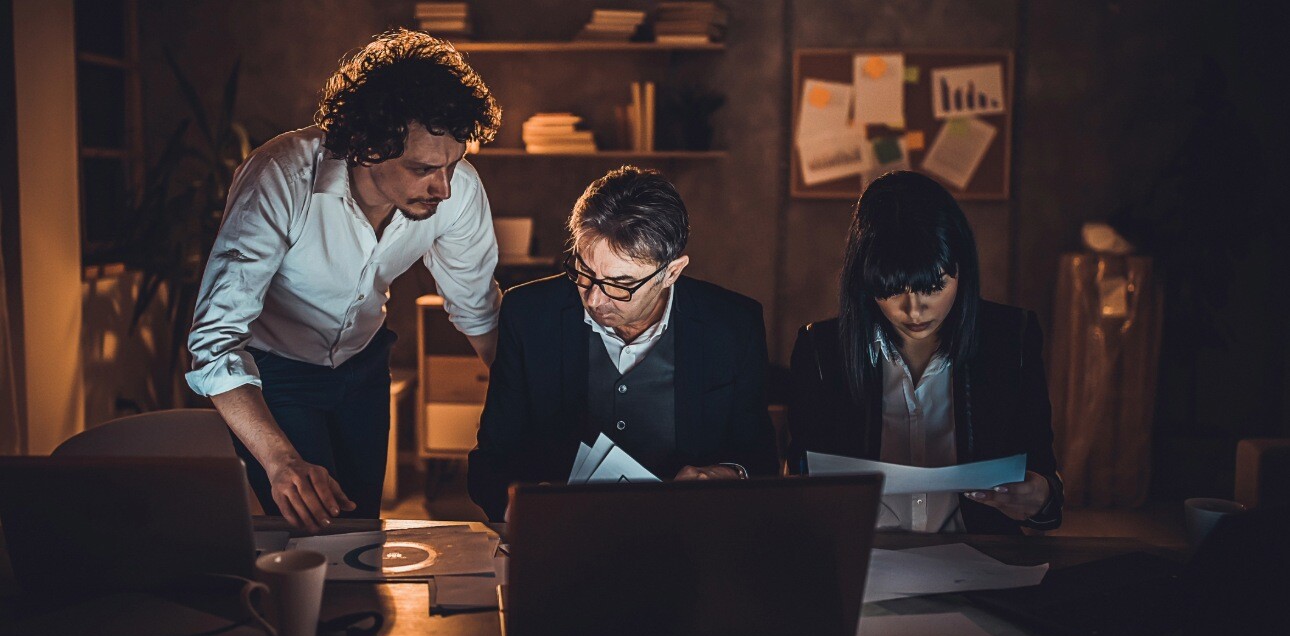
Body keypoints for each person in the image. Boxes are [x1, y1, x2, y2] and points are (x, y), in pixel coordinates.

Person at [186, 29, 502, 532]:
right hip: (277, 372)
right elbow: (214, 341)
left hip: (365, 366)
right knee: (314, 531)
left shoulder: (455, 189)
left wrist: (532, 414)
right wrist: (279, 462)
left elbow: (479, 312)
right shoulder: (281, 177)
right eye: (423, 168)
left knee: (362, 528)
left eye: (454, 163)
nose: (444, 187)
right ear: (368, 148)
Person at [467, 166, 779, 522]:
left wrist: (728, 474)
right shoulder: (527, 315)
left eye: (620, 285)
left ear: (672, 272)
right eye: (584, 272)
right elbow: (488, 464)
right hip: (564, 538)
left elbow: (761, 462)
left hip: (688, 535)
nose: (594, 299)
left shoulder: (733, 326)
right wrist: (526, 507)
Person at [787, 171, 1063, 534]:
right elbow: (800, 482)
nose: (914, 310)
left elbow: (1045, 483)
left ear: (962, 269)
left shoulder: (1011, 339)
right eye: (891, 290)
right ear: (864, 281)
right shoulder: (821, 352)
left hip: (978, 556)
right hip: (865, 556)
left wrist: (1039, 498)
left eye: (933, 287)